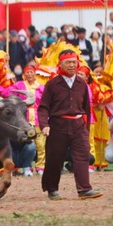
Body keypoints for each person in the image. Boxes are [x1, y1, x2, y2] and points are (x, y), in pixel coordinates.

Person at [37, 49, 102, 200]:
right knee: (55, 158)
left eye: (74, 62)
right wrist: (44, 125)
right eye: (68, 62)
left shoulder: (82, 84)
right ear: (60, 64)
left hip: (78, 126)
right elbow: (43, 107)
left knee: (82, 157)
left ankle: (84, 189)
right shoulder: (52, 84)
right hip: (57, 125)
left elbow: (86, 108)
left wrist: (86, 130)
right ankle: (52, 189)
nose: (72, 65)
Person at [0, 65, 45, 175]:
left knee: (41, 144)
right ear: (24, 74)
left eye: (32, 72)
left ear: (35, 74)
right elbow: (7, 93)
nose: (29, 74)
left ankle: (41, 166)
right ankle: (23, 166)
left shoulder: (41, 87)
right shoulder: (19, 85)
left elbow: (47, 102)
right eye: (27, 72)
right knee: (25, 142)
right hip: (23, 118)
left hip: (38, 117)